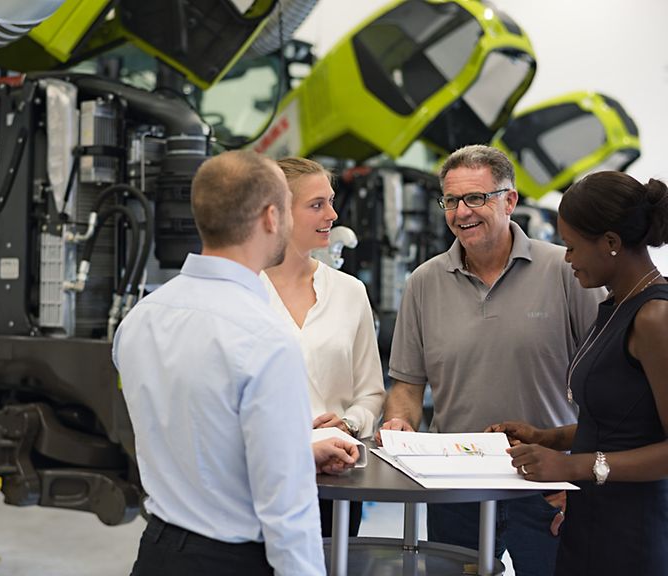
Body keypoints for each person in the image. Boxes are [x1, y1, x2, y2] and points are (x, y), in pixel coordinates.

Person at [113, 150, 359, 576]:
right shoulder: (265, 338)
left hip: (157, 551)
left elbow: (201, 435)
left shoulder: (141, 319)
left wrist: (299, 449)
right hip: (235, 560)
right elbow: (285, 505)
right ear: (270, 218)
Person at [378, 145, 603, 576]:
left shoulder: (565, 271)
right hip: (455, 488)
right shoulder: (423, 282)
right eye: (451, 201)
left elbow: (605, 384)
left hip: (544, 484)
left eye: (476, 198)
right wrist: (400, 423)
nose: (462, 212)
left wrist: (582, 475)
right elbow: (407, 384)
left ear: (510, 200)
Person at [489, 171, 668, 576]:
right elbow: (621, 420)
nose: (567, 259)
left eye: (572, 247)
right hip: (588, 518)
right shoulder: (614, 305)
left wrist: (572, 466)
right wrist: (547, 437)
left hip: (633, 533)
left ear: (610, 243)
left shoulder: (656, 316)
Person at [261, 157, 385, 536]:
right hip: (260, 477)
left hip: (336, 481)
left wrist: (348, 422)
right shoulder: (242, 291)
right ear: (276, 212)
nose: (332, 214)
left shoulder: (350, 292)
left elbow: (372, 394)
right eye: (317, 205)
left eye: (331, 201)